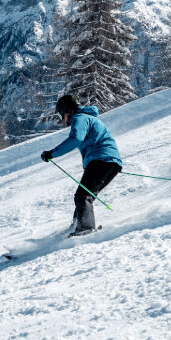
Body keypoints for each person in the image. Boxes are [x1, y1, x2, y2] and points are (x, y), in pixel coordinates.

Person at [40, 94, 123, 236]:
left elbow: (75, 139)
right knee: (84, 195)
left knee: (82, 196)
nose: (63, 120)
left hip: (102, 160)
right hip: (108, 161)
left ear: (68, 111)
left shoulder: (79, 118)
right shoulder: (87, 118)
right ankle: (77, 225)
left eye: (61, 116)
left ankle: (85, 228)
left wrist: (51, 154)